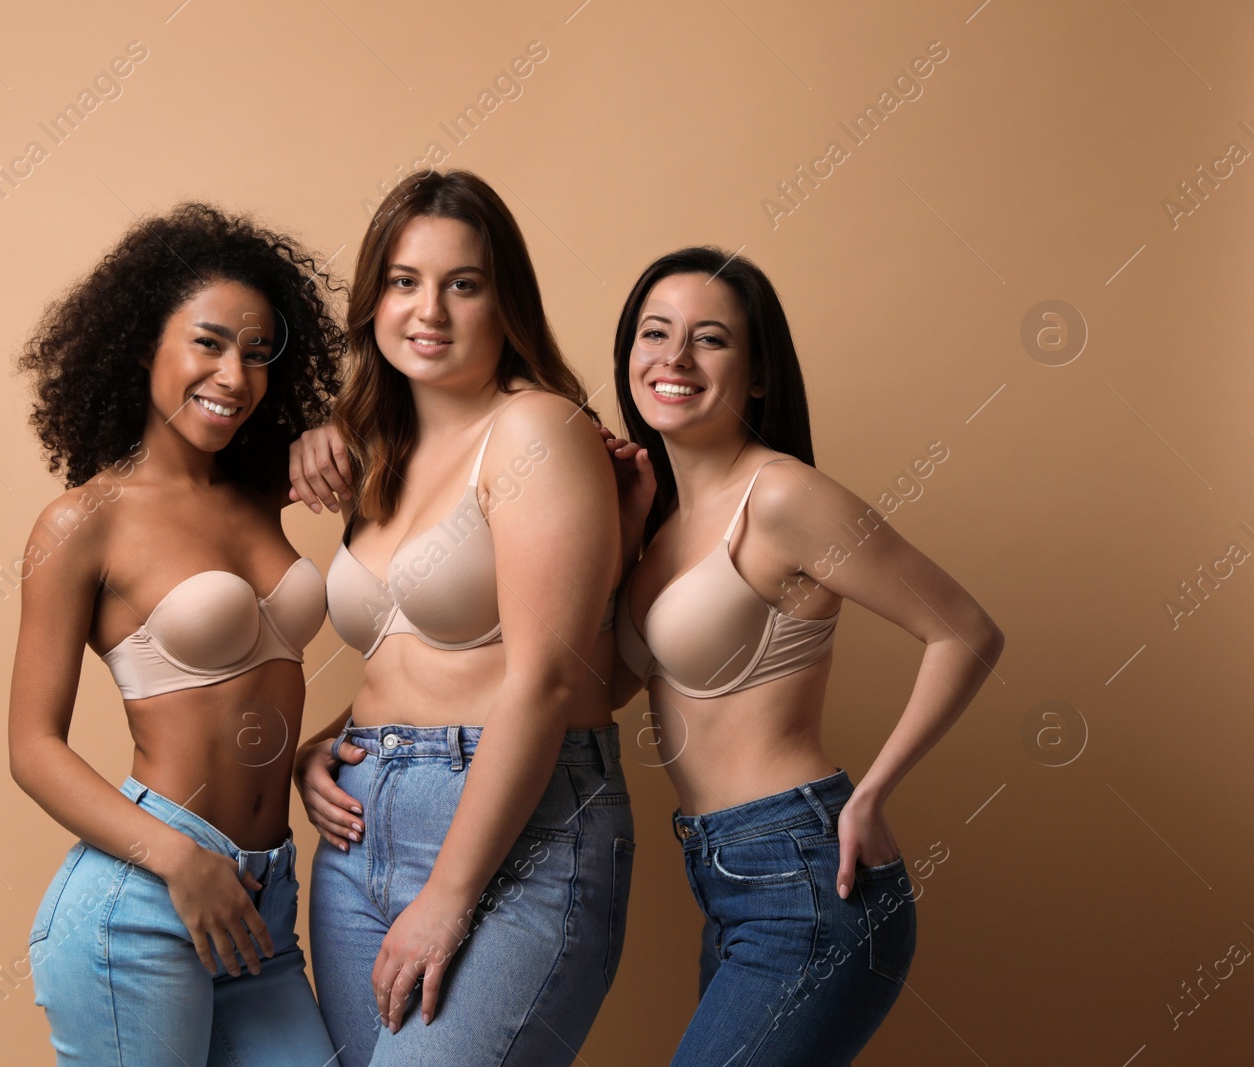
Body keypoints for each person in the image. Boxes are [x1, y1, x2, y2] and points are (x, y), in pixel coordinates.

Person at [600, 246, 1005, 1065]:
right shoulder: (664, 519)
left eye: (709, 339)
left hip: (805, 873)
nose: (674, 358)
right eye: (655, 333)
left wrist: (873, 793)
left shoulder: (781, 497)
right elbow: (608, 686)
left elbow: (964, 630)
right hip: (724, 878)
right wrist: (627, 525)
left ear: (756, 375)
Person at [286, 169, 632, 1066]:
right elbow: (410, 649)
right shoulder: (379, 452)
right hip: (359, 832)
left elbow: (546, 674)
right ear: (372, 301)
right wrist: (329, 737)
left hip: (514, 827)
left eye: (462, 283)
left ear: (503, 299)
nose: (427, 309)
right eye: (404, 281)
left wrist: (450, 892)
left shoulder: (535, 432)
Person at [8, 201, 346, 1066]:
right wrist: (178, 860)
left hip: (264, 903)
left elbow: (429, 491)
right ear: (143, 345)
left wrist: (334, 435)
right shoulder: (83, 521)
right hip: (146, 901)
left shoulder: (264, 487)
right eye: (208, 342)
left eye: (258, 351)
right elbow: (32, 747)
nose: (234, 374)